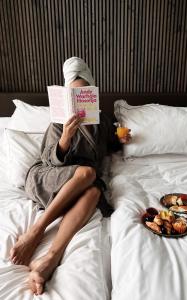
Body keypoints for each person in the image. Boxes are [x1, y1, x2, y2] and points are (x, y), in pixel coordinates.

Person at [9, 57, 131, 295]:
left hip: (81, 182)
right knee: (88, 173)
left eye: (83, 91)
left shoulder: (102, 121)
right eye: (73, 93)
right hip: (48, 176)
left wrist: (121, 139)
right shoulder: (58, 122)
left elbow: (109, 142)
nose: (79, 98)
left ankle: (49, 259)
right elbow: (47, 160)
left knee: (95, 190)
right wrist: (65, 137)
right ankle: (35, 231)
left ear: (91, 92)